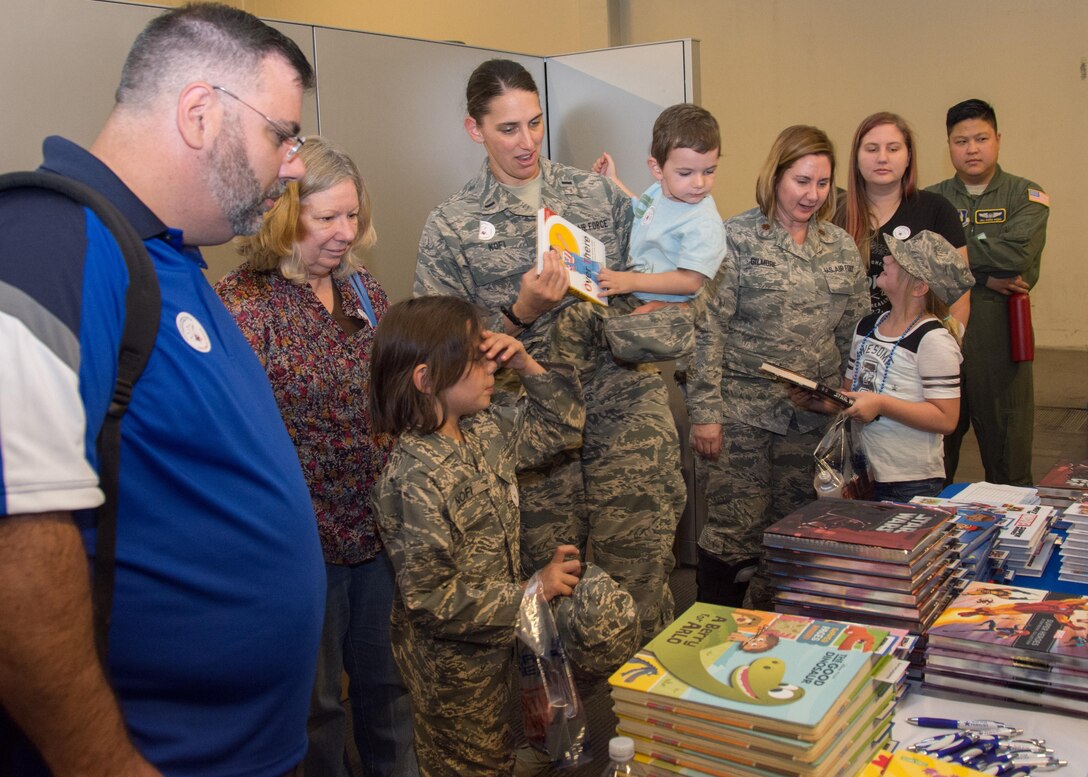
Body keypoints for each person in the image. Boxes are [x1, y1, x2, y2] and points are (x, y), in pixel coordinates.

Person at [0, 4, 324, 776]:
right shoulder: (51, 243)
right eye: (283, 134)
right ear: (201, 112)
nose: (295, 165)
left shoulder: (168, 261)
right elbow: (14, 548)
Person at [414, 58, 686, 642]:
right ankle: (569, 732)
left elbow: (661, 289)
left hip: (624, 420)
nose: (527, 141)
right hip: (532, 440)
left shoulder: (595, 197)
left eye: (535, 123)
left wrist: (643, 301)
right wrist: (522, 312)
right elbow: (439, 352)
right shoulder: (452, 226)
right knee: (552, 609)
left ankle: (648, 723)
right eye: (508, 129)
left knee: (639, 589)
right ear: (474, 130)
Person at [215, 136, 416, 777]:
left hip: (375, 527)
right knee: (317, 706)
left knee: (389, 690)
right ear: (283, 215)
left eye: (352, 215)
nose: (344, 233)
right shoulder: (244, 304)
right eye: (325, 218)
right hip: (297, 541)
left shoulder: (366, 293)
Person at [368, 296, 585, 776]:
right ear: (426, 380)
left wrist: (527, 364)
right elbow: (432, 599)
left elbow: (563, 427)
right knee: (469, 765)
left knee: (497, 755)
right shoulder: (413, 478)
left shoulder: (483, 430)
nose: (490, 363)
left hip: (496, 648)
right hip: (453, 674)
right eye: (473, 357)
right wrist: (534, 592)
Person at [686, 125, 870, 610]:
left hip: (811, 421)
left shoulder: (840, 247)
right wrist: (704, 412)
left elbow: (854, 334)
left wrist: (848, 402)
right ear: (777, 176)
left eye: (822, 183)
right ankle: (712, 632)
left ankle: (775, 635)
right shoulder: (737, 238)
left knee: (796, 531)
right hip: (743, 414)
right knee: (734, 532)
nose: (812, 195)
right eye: (801, 181)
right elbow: (708, 331)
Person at [926, 99, 1050, 487]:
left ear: (998, 139)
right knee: (932, 461)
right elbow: (916, 260)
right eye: (961, 140)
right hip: (938, 338)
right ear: (948, 145)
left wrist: (957, 259)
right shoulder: (930, 201)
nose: (972, 148)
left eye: (981, 138)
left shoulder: (1025, 195)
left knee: (1008, 459)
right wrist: (984, 275)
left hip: (1001, 345)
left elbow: (1018, 256)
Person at [799, 231, 973, 502]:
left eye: (899, 260)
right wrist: (815, 401)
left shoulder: (933, 340)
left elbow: (946, 419)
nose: (887, 258)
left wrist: (881, 405)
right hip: (863, 474)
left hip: (910, 480)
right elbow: (851, 396)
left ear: (919, 287)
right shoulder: (868, 326)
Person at [837, 111, 969, 327]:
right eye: (871, 149)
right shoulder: (834, 214)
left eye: (893, 148)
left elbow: (959, 298)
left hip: (915, 351)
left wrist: (948, 347)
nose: (882, 158)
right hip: (849, 348)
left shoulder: (937, 210)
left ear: (908, 156)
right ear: (856, 157)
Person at [591, 104, 727, 303]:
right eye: (686, 173)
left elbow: (690, 282)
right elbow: (643, 211)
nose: (699, 183)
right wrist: (613, 180)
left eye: (709, 171)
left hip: (667, 309)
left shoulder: (704, 223)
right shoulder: (660, 190)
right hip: (635, 290)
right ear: (657, 168)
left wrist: (632, 281)